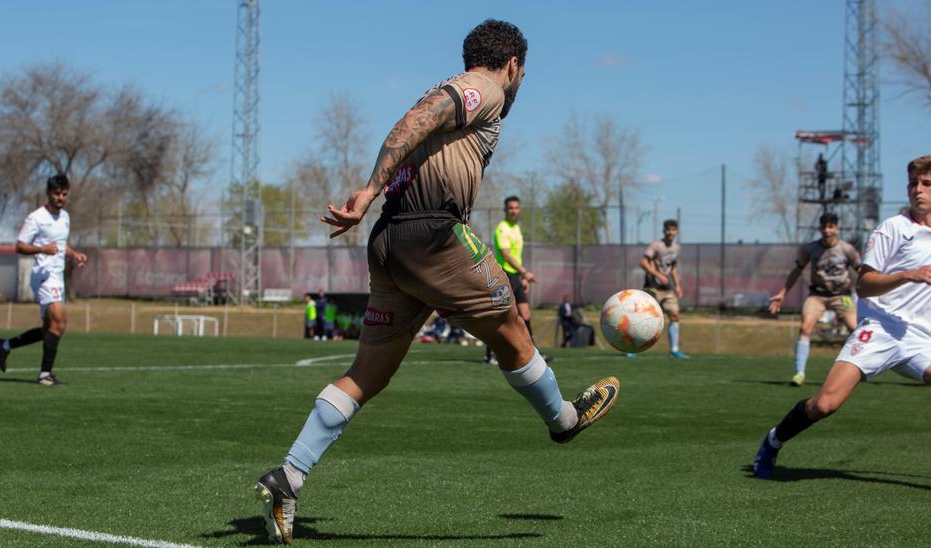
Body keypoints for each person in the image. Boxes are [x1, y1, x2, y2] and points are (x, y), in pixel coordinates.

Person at [252, 20, 618, 545]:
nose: (518, 84)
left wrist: (373, 199)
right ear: (513, 65)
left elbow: (420, 119)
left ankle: (288, 476)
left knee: (366, 374)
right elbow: (422, 117)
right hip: (435, 235)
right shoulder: (487, 86)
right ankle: (562, 419)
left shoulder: (450, 88)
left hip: (390, 243)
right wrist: (369, 188)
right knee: (513, 325)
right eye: (523, 74)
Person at [751, 155, 931, 490]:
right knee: (825, 403)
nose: (917, 190)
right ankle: (772, 443)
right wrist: (907, 275)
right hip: (877, 329)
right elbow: (864, 284)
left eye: (926, 184)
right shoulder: (892, 228)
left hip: (919, 340)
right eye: (912, 184)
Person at [0, 174, 87, 386]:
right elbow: (19, 246)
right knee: (60, 323)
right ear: (48, 193)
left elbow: (61, 245)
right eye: (56, 193)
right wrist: (42, 249)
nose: (61, 197)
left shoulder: (65, 217)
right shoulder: (36, 218)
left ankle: (5, 345)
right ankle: (45, 375)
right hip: (44, 278)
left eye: (64, 194)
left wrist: (74, 254)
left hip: (58, 277)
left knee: (49, 329)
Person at [768, 212, 860, 386]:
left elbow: (862, 271)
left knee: (855, 330)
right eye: (824, 227)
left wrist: (874, 293)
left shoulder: (847, 249)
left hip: (842, 295)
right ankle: (799, 373)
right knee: (805, 328)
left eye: (831, 227)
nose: (827, 231)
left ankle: (857, 371)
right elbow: (797, 270)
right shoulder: (810, 249)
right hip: (817, 295)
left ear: (837, 228)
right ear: (820, 228)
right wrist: (782, 293)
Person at [484, 195, 550, 364]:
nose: (513, 210)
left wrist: (522, 277)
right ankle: (490, 354)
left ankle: (533, 354)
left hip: (515, 276)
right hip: (503, 275)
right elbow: (506, 255)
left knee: (525, 314)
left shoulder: (516, 229)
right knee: (500, 315)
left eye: (516, 207)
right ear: (505, 210)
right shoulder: (502, 229)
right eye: (510, 208)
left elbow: (516, 256)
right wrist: (525, 272)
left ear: (519, 210)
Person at [640, 219, 690, 359]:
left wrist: (678, 285)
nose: (670, 232)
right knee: (643, 318)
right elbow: (643, 262)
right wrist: (657, 274)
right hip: (652, 287)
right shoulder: (656, 245)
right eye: (668, 229)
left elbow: (673, 267)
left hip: (667, 288)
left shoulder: (676, 248)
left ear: (677, 231)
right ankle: (632, 347)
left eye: (673, 229)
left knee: (675, 315)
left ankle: (674, 350)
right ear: (664, 230)